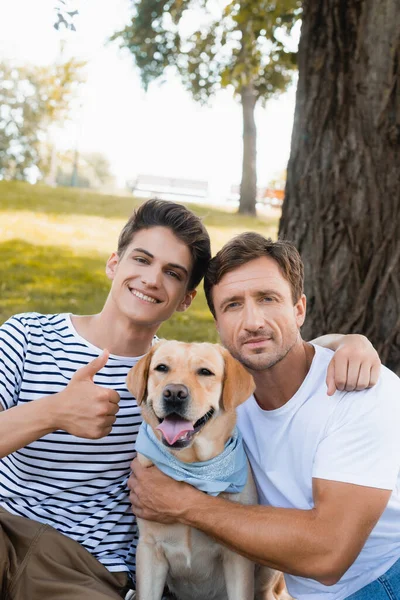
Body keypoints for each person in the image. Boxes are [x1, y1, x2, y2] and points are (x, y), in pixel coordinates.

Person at [0, 201, 380, 600]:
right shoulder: (26, 335)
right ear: (114, 263)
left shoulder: (186, 379)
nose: (150, 279)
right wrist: (52, 411)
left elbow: (273, 363)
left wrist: (350, 343)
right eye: (142, 260)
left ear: (186, 299)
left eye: (172, 273)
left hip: (90, 569)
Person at [129, 232, 400, 600]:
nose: (253, 321)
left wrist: (183, 504)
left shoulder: (361, 390)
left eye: (268, 299)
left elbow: (328, 554)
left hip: (382, 581)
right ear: (218, 326)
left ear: (299, 309)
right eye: (233, 306)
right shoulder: (222, 399)